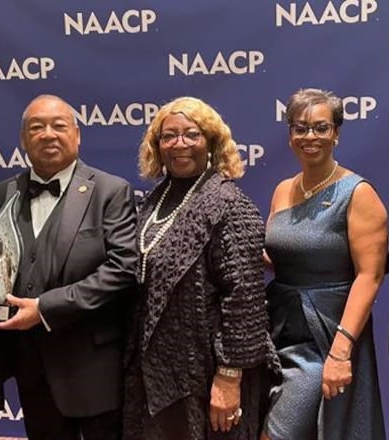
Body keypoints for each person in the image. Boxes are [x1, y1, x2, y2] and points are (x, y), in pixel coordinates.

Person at [0, 94, 138, 440]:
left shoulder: (110, 191)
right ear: (23, 140)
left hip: (93, 368)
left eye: (58, 125)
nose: (48, 134)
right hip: (29, 366)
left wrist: (45, 309)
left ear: (77, 136)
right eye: (37, 127)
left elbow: (123, 269)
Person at [123, 96, 277, 440]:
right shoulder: (155, 200)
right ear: (156, 146)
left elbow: (245, 301)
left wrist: (228, 377)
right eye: (168, 136)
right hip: (159, 371)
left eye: (191, 134)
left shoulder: (228, 204)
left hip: (208, 374)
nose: (179, 144)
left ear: (211, 142)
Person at [261, 89, 387, 440]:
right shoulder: (283, 189)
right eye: (300, 128)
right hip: (279, 330)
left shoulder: (358, 193)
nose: (310, 137)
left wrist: (341, 350)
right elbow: (284, 257)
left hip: (324, 337)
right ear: (290, 135)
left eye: (320, 127)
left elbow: (370, 275)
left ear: (336, 133)